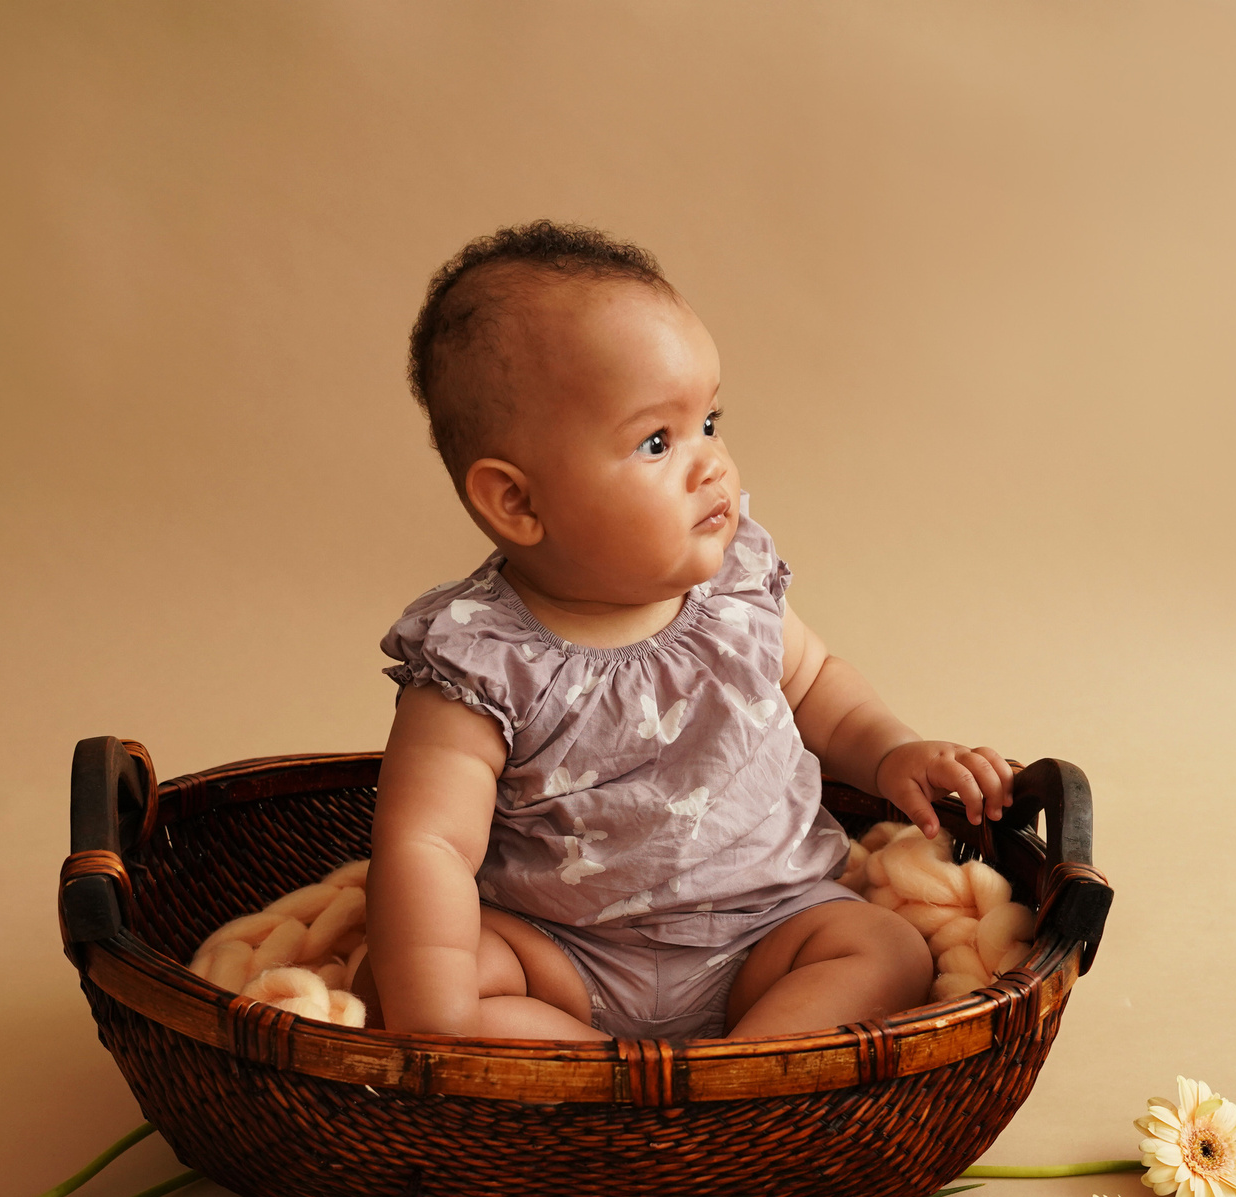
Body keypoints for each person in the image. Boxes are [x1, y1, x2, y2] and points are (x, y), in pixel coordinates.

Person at [362, 221, 1013, 1041]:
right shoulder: (479, 661)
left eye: (710, 420)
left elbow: (819, 690)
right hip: (566, 954)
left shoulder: (735, 584)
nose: (711, 463)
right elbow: (427, 846)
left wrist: (894, 754)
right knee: (404, 979)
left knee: (886, 949)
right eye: (657, 441)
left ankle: (740, 1070)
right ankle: (617, 1085)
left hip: (769, 929)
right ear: (518, 503)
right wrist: (436, 1015)